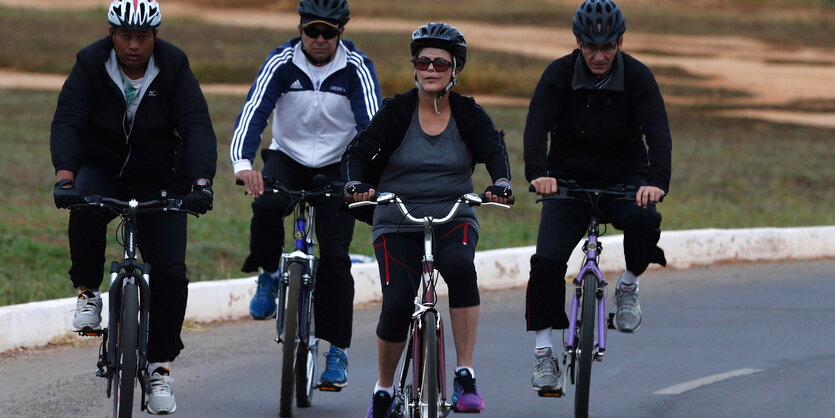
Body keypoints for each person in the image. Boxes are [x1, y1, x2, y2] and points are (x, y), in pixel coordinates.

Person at [50, 0, 217, 414]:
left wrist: (200, 182)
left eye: (143, 36)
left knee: (171, 273)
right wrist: (65, 177)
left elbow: (196, 123)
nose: (134, 45)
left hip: (162, 177)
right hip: (103, 168)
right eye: (126, 35)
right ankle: (88, 293)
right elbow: (69, 118)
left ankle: (159, 369)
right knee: (84, 207)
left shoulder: (174, 65)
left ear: (155, 36)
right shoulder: (90, 63)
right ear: (111, 34)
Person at [342, 22, 514, 417]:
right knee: (399, 302)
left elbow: (494, 149)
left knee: (459, 265)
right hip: (397, 216)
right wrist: (355, 184)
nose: (431, 69)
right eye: (423, 61)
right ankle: (384, 390)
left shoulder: (468, 113)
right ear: (414, 66)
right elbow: (357, 151)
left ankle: (464, 373)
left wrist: (501, 182)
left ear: (456, 69)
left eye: (440, 62)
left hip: (454, 213)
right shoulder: (396, 110)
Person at [229, 0, 381, 390]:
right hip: (288, 157)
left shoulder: (356, 68)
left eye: (328, 33)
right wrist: (244, 165)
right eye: (311, 31)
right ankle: (267, 273)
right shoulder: (281, 62)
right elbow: (254, 112)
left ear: (340, 34)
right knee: (267, 204)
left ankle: (337, 353)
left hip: (339, 165)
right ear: (300, 30)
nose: (319, 40)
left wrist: (366, 177)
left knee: (334, 255)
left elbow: (372, 128)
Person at [523, 0, 672, 395]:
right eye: (591, 46)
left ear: (621, 42)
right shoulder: (557, 74)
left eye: (608, 47)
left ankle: (628, 284)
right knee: (547, 261)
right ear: (578, 42)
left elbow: (658, 134)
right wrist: (539, 174)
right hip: (567, 181)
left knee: (644, 219)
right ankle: (543, 353)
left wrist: (655, 181)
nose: (600, 55)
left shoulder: (639, 77)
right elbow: (536, 128)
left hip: (625, 178)